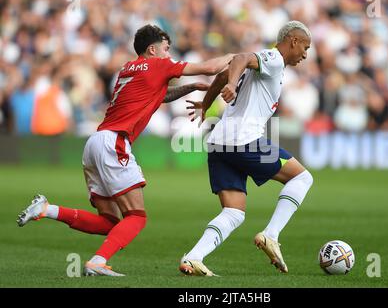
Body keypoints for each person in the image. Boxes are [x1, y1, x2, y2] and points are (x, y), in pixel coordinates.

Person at [16, 24, 234, 277]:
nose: (168, 53)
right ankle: (98, 261)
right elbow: (210, 67)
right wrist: (236, 57)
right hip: (115, 142)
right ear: (152, 49)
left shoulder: (128, 69)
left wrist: (192, 87)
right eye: (165, 48)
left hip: (95, 142)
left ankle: (46, 210)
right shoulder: (158, 64)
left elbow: (159, 96)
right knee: (137, 217)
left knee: (109, 222)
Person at [180, 21, 313, 276]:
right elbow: (240, 57)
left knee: (233, 212)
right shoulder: (273, 58)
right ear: (293, 41)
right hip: (244, 140)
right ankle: (271, 235)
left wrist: (205, 105)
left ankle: (193, 258)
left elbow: (221, 74)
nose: (305, 54)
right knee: (302, 177)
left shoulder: (268, 66)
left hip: (220, 142)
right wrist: (230, 85)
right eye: (305, 47)